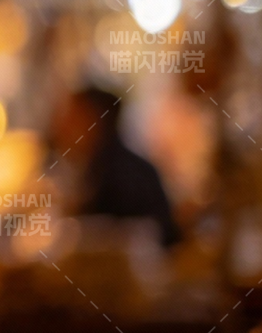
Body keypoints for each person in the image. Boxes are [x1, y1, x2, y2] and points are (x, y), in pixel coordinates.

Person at [51, 85, 180, 247]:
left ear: (94, 120)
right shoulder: (96, 167)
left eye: (72, 117)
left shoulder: (122, 175)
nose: (61, 126)